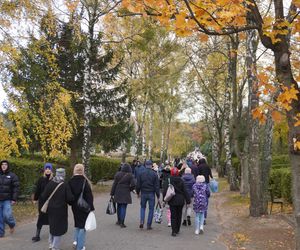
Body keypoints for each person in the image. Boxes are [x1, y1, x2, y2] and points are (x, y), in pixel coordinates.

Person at [41, 168, 74, 250]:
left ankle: (51, 243)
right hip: (61, 210)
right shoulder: (65, 184)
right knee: (58, 229)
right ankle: (55, 247)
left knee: (52, 226)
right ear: (63, 174)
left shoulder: (50, 183)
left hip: (51, 209)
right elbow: (70, 198)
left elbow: (43, 196)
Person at [69, 164, 94, 250]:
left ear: (75, 170)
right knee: (83, 227)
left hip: (74, 207)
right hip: (84, 207)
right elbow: (89, 196)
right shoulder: (84, 181)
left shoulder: (70, 181)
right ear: (82, 171)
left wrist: (71, 203)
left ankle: (75, 241)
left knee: (77, 224)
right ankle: (80, 247)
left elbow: (68, 196)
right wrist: (91, 208)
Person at [163, 167, 190, 237]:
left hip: (172, 200)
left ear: (171, 173)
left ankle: (173, 231)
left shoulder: (169, 180)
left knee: (173, 216)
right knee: (179, 214)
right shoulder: (181, 180)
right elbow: (185, 191)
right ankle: (177, 229)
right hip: (181, 200)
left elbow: (165, 190)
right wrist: (188, 201)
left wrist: (164, 199)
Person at [31, 163, 54, 242]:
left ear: (51, 170)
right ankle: (37, 235)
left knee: (51, 217)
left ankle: (52, 235)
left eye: (49, 169)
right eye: (46, 169)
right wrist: (35, 199)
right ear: (44, 170)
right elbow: (38, 190)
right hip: (42, 202)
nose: (48, 170)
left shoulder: (53, 179)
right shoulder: (41, 179)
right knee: (41, 217)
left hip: (51, 202)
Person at [136, 160, 160, 230]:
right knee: (151, 209)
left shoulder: (141, 173)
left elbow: (138, 185)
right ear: (151, 165)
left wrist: (138, 192)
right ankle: (149, 224)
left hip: (143, 193)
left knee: (143, 207)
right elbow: (157, 186)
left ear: (145, 165)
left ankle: (142, 221)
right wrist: (158, 195)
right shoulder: (154, 174)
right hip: (151, 193)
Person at [110, 163, 135, 228]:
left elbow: (114, 184)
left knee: (119, 206)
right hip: (126, 192)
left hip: (118, 192)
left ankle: (118, 221)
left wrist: (112, 193)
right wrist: (130, 189)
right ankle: (122, 223)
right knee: (124, 207)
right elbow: (133, 184)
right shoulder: (130, 175)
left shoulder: (117, 174)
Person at [0, 160, 19, 238]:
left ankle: (12, 224)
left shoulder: (12, 176)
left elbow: (16, 188)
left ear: (8, 166)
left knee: (7, 215)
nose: (4, 166)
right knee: (0, 218)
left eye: (5, 164)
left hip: (7, 199)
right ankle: (1, 233)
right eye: (2, 164)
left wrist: (14, 199)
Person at [198, 158, 213, 224]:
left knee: (200, 196)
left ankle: (200, 216)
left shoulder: (199, 167)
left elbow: (198, 174)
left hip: (200, 182)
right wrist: (212, 177)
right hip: (206, 182)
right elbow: (210, 173)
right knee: (206, 198)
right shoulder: (207, 166)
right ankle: (204, 218)